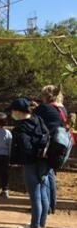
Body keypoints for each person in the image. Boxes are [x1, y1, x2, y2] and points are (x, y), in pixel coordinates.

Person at [9, 98, 50, 228]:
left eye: (13, 111)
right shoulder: (37, 119)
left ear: (18, 112)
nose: (12, 114)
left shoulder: (21, 128)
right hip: (44, 162)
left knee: (35, 195)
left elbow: (26, 148)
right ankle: (41, 225)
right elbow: (46, 135)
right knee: (43, 192)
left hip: (31, 163)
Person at [34, 85, 69, 214]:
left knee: (43, 178)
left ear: (46, 96)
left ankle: (45, 208)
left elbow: (35, 120)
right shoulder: (63, 109)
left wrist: (36, 108)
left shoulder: (45, 108)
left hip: (47, 146)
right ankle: (51, 205)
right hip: (59, 145)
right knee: (50, 175)